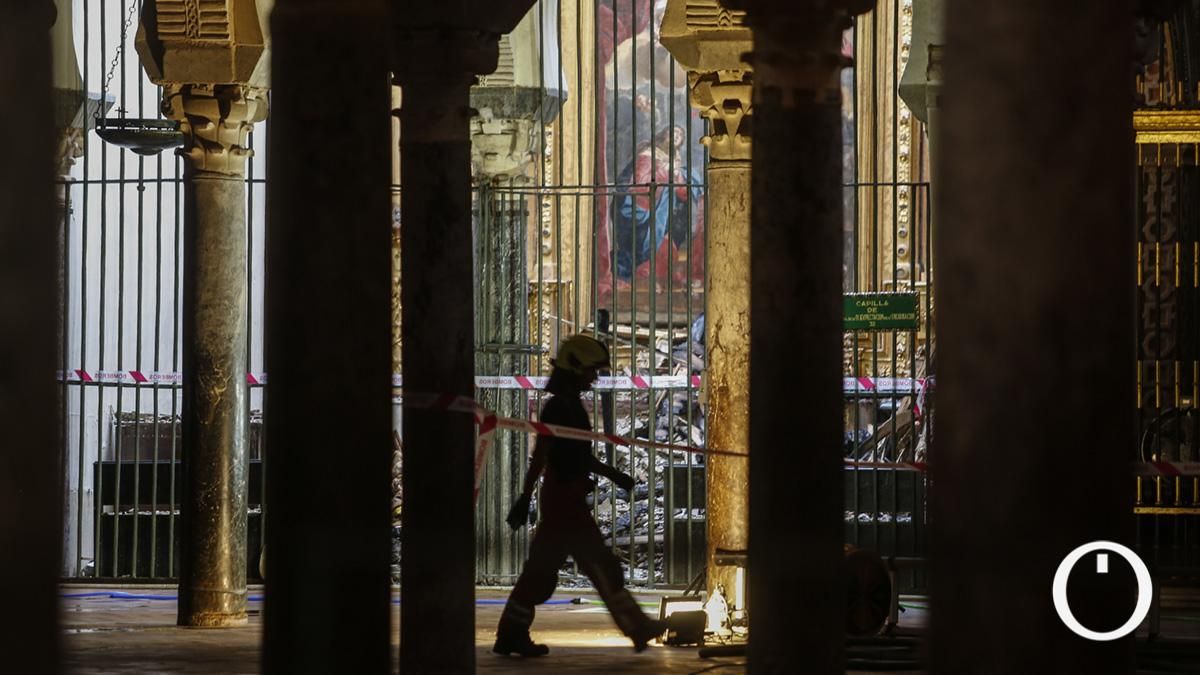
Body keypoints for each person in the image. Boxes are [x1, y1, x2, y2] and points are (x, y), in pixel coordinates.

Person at [493, 334, 667, 657]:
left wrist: (613, 475)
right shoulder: (558, 408)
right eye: (591, 371)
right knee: (598, 565)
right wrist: (524, 496)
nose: (595, 377)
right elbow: (542, 454)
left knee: (541, 573)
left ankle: (510, 633)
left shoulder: (570, 406)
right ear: (575, 369)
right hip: (562, 502)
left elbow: (576, 455)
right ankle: (637, 627)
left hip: (566, 499)